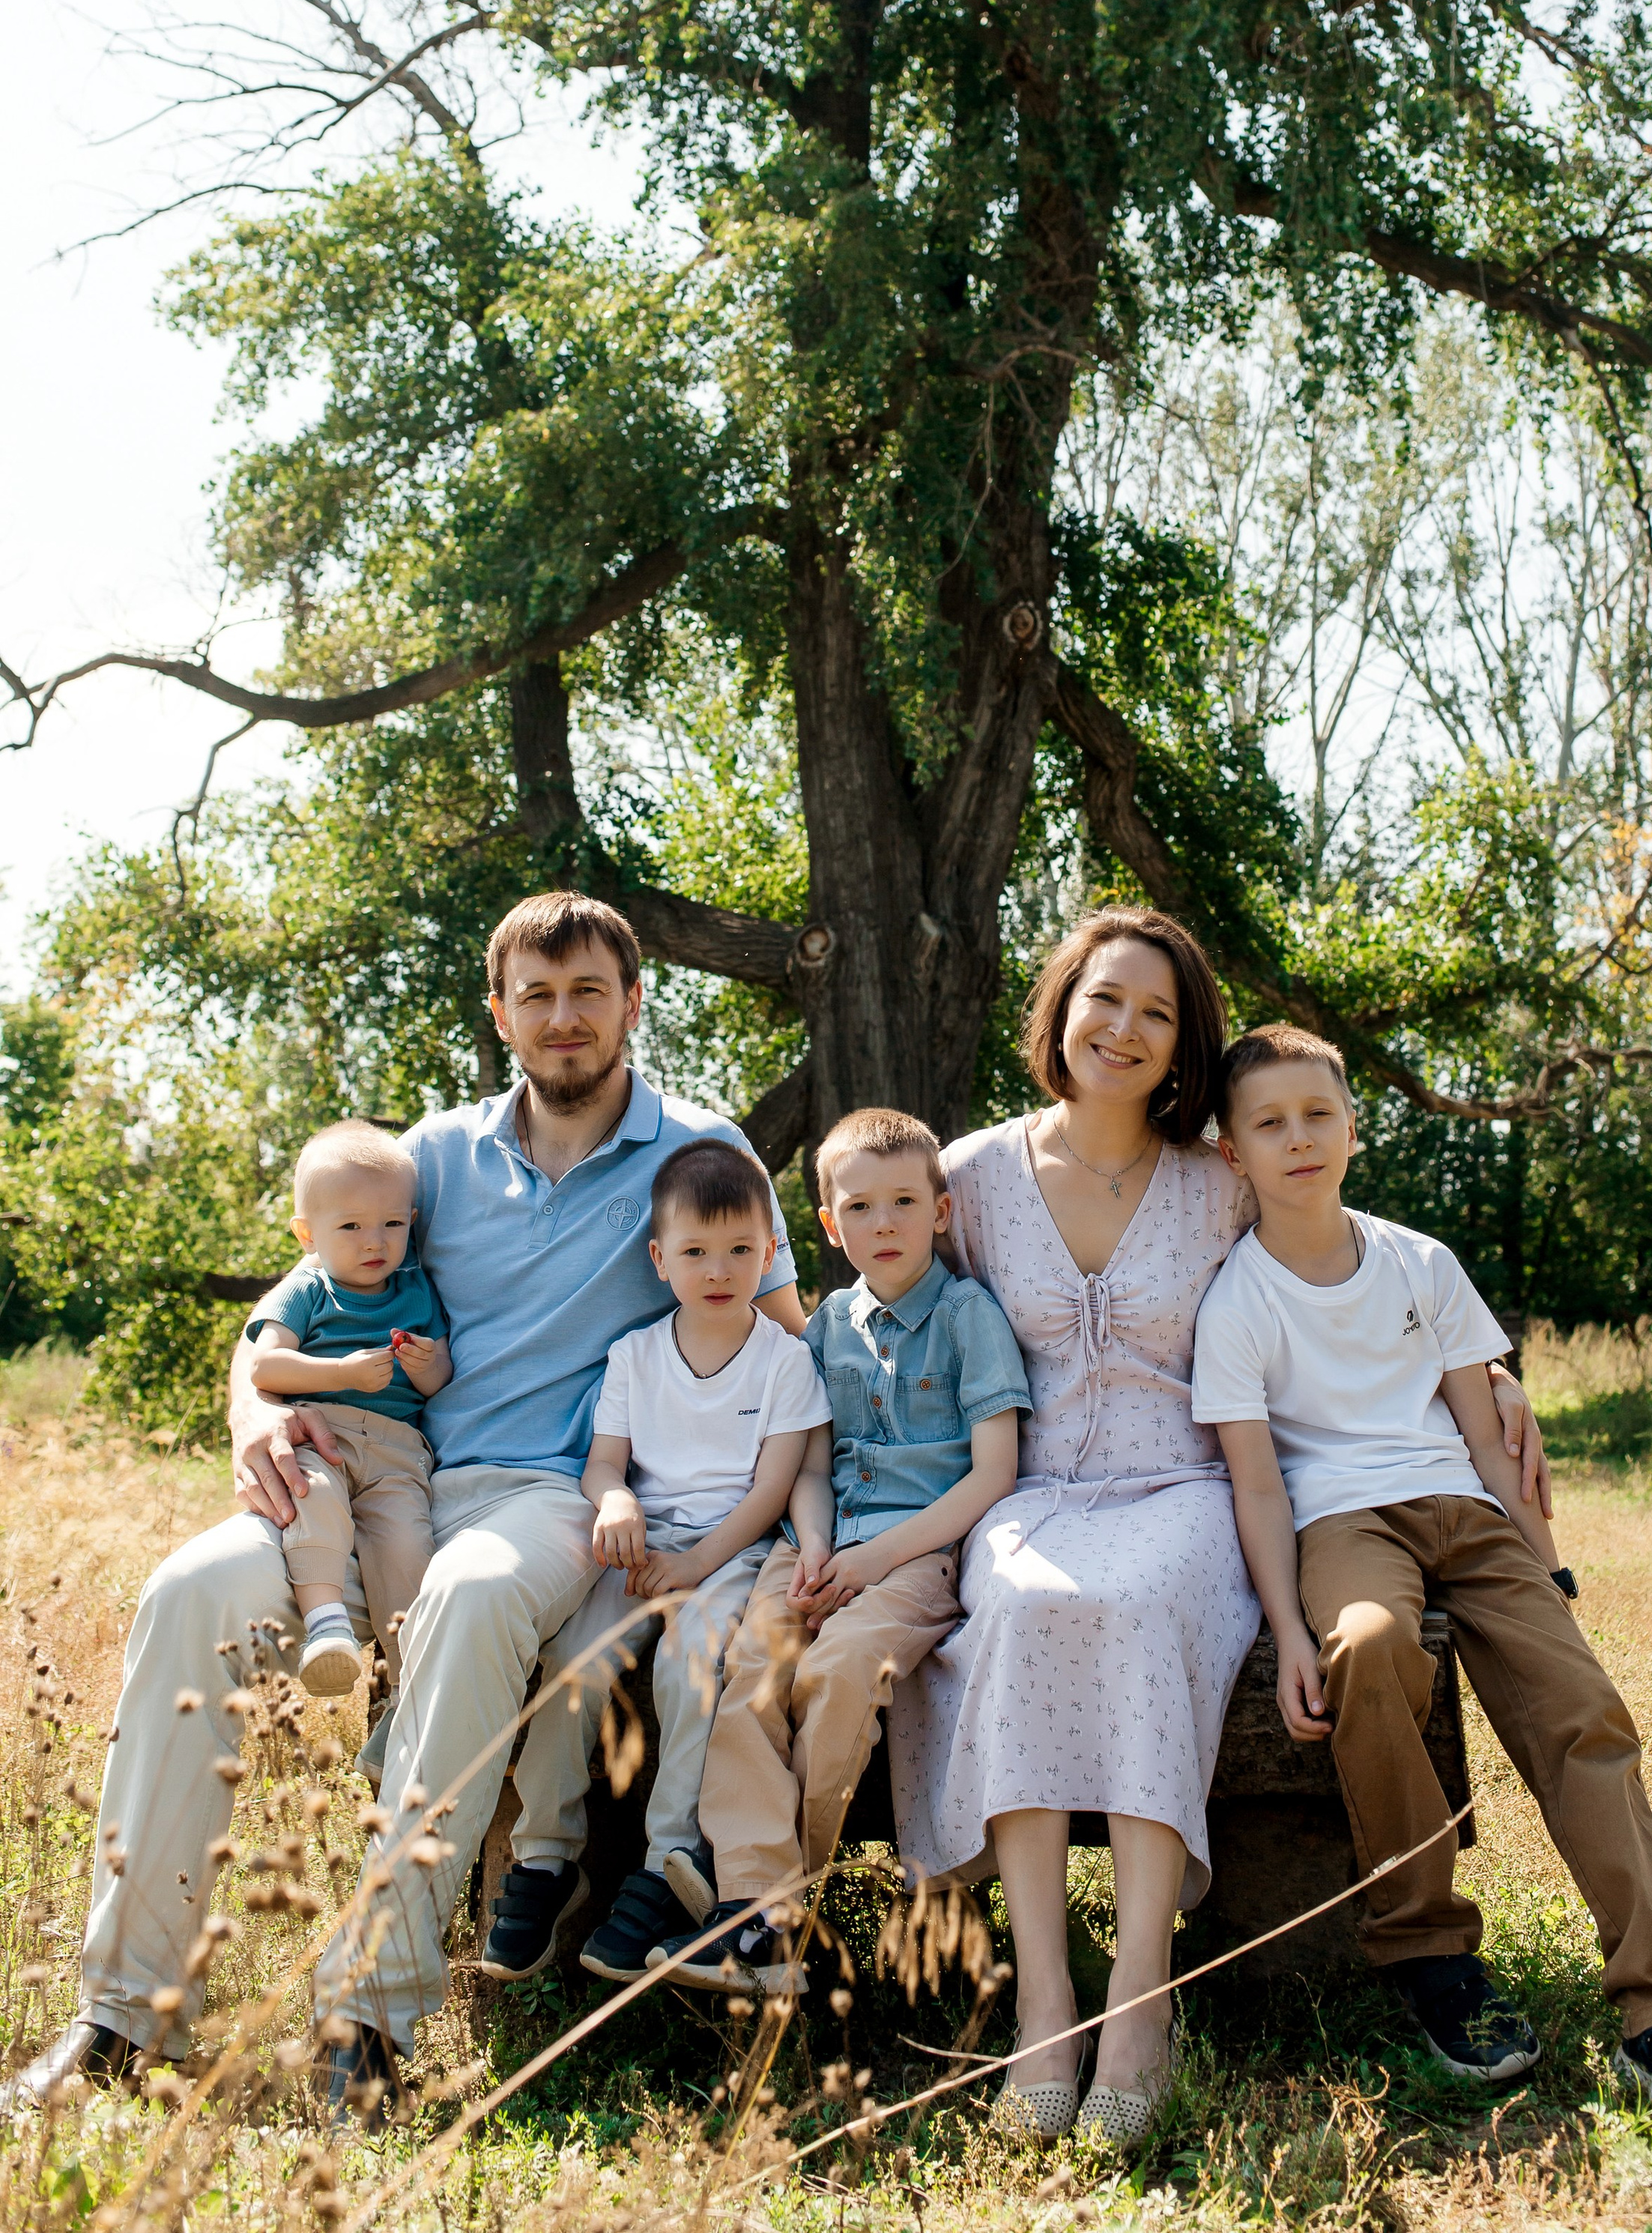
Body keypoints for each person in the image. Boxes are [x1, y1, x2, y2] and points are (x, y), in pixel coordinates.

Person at [1, 890, 807, 2124]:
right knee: (189, 1593)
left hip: (550, 1496)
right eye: (535, 996)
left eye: (590, 991)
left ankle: (366, 2018)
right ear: (500, 1014)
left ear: (634, 1004)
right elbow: (281, 1312)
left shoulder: (701, 1155)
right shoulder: (435, 1154)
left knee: (476, 1598)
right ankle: (122, 2014)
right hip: (386, 1481)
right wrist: (251, 1413)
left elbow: (786, 1353)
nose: (564, 1019)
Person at [889, 908, 1551, 2155]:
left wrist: (1488, 1381)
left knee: (1138, 1614)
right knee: (1022, 1609)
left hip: (1191, 1490)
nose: (1126, 1030)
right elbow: (885, 1301)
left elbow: (1345, 1288)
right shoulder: (971, 1178)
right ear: (1062, 1009)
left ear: (1185, 1043)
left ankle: (1140, 1997)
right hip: (1028, 1497)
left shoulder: (1218, 1179)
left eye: (1158, 1014)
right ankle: (1046, 2000)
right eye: (1106, 1000)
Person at [1193, 1021, 1652, 2130]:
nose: (1298, 1139)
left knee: (1583, 1710)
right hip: (1344, 1523)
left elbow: (1487, 1432)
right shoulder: (1238, 1302)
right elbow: (1259, 1488)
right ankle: (1430, 1954)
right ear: (1232, 1154)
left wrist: (1549, 1570)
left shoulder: (1419, 1261)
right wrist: (1291, 1633)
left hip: (1468, 1513)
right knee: (1372, 1641)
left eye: (1318, 1115)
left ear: (1355, 1126)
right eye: (1269, 1124)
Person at [630, 1105, 1029, 1995]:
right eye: (858, 1208)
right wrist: (814, 1546)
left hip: (918, 1555)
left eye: (900, 1203)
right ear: (825, 1224)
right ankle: (755, 1919)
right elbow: (808, 1464)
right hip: (813, 1548)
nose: (880, 1225)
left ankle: (768, 1914)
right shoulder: (824, 1329)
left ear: (941, 1210)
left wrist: (873, 1560)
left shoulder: (969, 1318)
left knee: (839, 1674)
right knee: (752, 1675)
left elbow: (992, 1473)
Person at [485, 1137, 829, 1983]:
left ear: (769, 1251)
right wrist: (617, 1502)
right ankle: (544, 1855)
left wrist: (697, 1564)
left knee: (686, 1665)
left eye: (742, 1251)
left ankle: (668, 1859)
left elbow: (771, 1492)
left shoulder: (785, 1360)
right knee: (574, 1660)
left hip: (733, 1553)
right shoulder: (636, 1355)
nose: (720, 1270)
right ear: (659, 1259)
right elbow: (605, 1461)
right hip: (638, 1553)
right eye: (696, 1253)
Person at [242, 1121, 450, 1693]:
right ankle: (326, 1624)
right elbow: (266, 1366)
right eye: (351, 1226)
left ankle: (411, 1686)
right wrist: (341, 1373)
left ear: (410, 1222)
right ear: (308, 1234)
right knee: (313, 1501)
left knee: (408, 1545)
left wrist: (427, 1363)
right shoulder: (309, 1290)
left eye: (390, 1224)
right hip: (322, 1437)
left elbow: (438, 1381)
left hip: (395, 1449)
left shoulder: (415, 1289)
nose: (373, 1242)